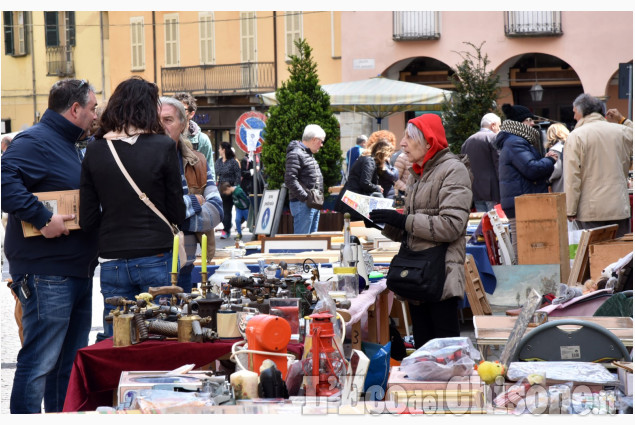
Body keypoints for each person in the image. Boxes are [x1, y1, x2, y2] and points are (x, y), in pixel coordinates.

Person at [1, 78, 99, 413]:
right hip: (47, 272)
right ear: (75, 109)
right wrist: (41, 218)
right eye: (92, 109)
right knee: (39, 363)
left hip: (72, 269)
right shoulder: (36, 141)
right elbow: (3, 182)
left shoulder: (68, 142)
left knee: (67, 366)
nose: (95, 115)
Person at [79, 77, 186, 340]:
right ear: (148, 109)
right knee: (160, 336)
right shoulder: (163, 146)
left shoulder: (95, 150)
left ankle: (118, 382)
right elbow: (177, 212)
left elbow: (88, 217)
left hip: (112, 259)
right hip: (155, 255)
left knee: (119, 338)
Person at [369, 114, 472, 348]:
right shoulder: (419, 172)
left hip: (439, 275)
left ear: (428, 142)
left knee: (445, 352)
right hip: (418, 274)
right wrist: (383, 221)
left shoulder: (453, 170)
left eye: (409, 137)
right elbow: (412, 227)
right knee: (423, 349)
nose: (402, 143)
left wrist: (403, 220)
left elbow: (451, 225)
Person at [159, 97, 223, 293]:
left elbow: (217, 210)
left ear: (183, 124)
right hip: (154, 262)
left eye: (168, 120)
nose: (161, 126)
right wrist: (194, 203)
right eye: (157, 120)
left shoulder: (198, 161)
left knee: (185, 319)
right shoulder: (142, 158)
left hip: (186, 263)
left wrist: (175, 220)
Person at [495, 103, 558, 261]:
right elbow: (531, 169)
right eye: (529, 120)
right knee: (523, 249)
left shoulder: (515, 141)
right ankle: (523, 283)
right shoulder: (516, 142)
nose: (532, 124)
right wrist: (549, 160)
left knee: (526, 247)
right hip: (521, 204)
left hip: (522, 201)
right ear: (519, 123)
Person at [564, 94, 633, 237]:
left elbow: (572, 177)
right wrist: (623, 120)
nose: (574, 117)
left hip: (590, 210)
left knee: (593, 255)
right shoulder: (622, 131)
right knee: (621, 255)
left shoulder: (576, 136)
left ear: (581, 111)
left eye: (574, 112)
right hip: (619, 207)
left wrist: (570, 209)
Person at [335, 139, 392, 224]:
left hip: (350, 200)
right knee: (354, 230)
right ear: (384, 153)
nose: (388, 158)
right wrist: (377, 187)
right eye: (388, 155)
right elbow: (365, 182)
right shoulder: (369, 161)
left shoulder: (367, 159)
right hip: (354, 201)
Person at [285, 124, 325, 234]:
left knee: (310, 242)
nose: (321, 145)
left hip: (310, 203)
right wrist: (306, 197)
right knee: (302, 243)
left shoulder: (305, 153)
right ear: (314, 139)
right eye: (321, 141)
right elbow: (290, 179)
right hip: (303, 204)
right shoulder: (296, 153)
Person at [460, 112, 501, 212]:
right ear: (493, 125)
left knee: (482, 223)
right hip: (493, 190)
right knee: (496, 223)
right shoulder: (493, 138)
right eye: (499, 126)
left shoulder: (467, 141)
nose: (500, 129)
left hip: (475, 190)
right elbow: (499, 164)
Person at [173, 92, 215, 175]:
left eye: (182, 109)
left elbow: (209, 171)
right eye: (174, 108)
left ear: (191, 114)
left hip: (193, 186)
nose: (177, 112)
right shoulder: (164, 137)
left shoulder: (202, 140)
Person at [215, 141, 242, 239]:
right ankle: (227, 227)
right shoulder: (218, 162)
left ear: (224, 150)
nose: (218, 150)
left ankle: (226, 229)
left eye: (219, 148)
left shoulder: (233, 162)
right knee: (221, 210)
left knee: (227, 210)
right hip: (220, 189)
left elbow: (238, 176)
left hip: (230, 189)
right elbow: (217, 175)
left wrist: (234, 187)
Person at [366, 130, 399, 199]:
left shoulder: (384, 161)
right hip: (383, 194)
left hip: (385, 193)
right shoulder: (377, 162)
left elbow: (395, 175)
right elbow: (393, 176)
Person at [545, 123, 570, 193]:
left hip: (560, 186)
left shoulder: (555, 150)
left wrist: (546, 179)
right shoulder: (569, 146)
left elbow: (555, 171)